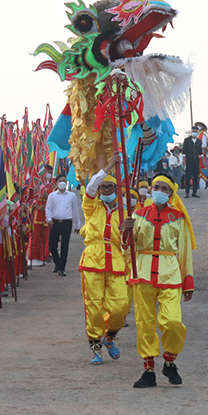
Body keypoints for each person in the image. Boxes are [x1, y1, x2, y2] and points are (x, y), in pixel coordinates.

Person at [121, 174, 195, 388]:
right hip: (143, 272)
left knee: (173, 322)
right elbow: (126, 248)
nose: (159, 191)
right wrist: (126, 231)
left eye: (164, 188)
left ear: (171, 193)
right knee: (145, 323)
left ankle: (170, 361)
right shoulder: (139, 215)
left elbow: (184, 252)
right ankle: (148, 370)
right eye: (156, 187)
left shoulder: (178, 218)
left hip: (170, 274)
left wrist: (188, 282)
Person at [79, 155, 129, 365]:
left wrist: (129, 230)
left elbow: (127, 244)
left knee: (121, 305)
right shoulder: (92, 207)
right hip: (92, 259)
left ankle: (110, 335)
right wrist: (109, 166)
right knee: (93, 305)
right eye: (103, 187)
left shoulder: (126, 212)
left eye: (111, 187)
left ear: (117, 190)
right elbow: (91, 186)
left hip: (115, 260)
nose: (106, 190)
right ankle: (96, 347)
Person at [46, 173, 82, 276]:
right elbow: (48, 209)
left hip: (67, 222)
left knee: (64, 245)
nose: (62, 183)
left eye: (64, 181)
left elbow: (75, 210)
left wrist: (77, 225)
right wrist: (48, 219)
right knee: (52, 245)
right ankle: (57, 263)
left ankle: (62, 268)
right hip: (55, 222)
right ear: (56, 183)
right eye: (60, 181)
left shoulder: (72, 196)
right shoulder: (52, 196)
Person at [182, 127, 202, 198]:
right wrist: (184, 159)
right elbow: (184, 151)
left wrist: (203, 161)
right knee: (188, 177)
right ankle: (187, 192)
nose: (194, 132)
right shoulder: (187, 140)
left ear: (197, 132)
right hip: (189, 161)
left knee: (196, 177)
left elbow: (200, 152)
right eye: (193, 131)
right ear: (191, 131)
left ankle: (195, 192)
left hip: (196, 161)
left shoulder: (199, 141)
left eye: (195, 131)